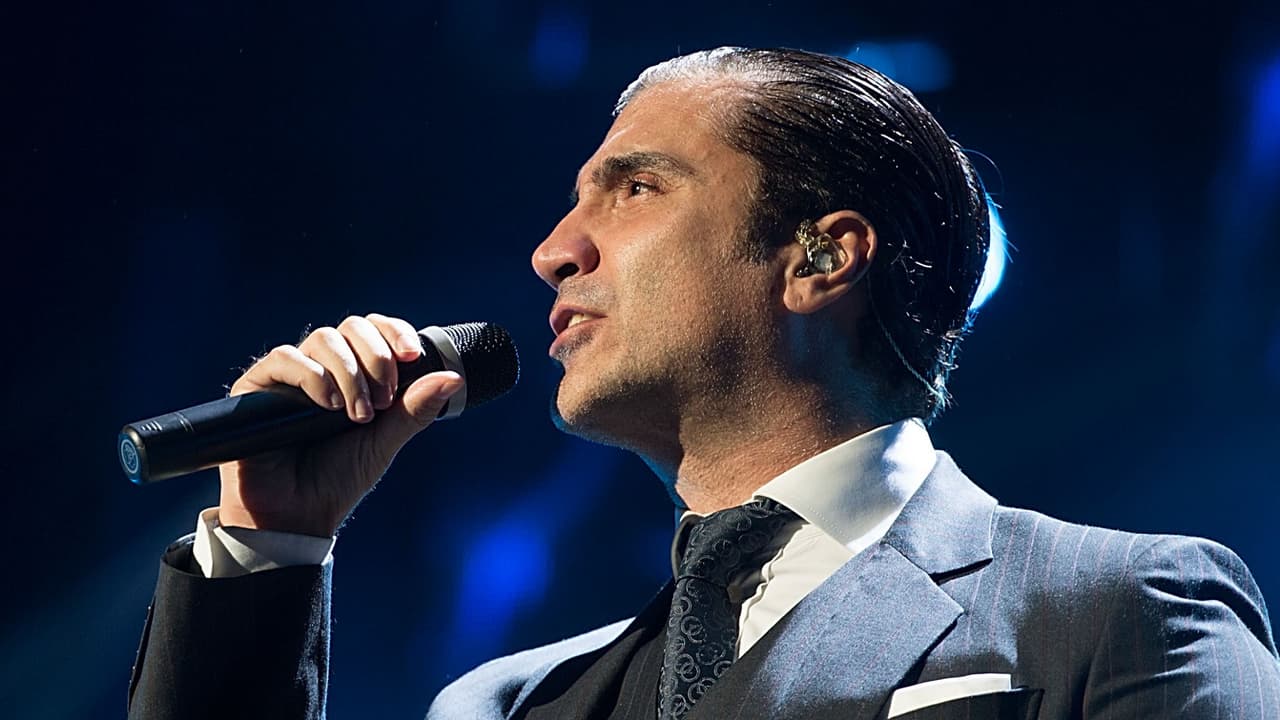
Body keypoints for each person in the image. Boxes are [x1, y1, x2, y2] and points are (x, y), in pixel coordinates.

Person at [128, 47, 1280, 719]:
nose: (553, 251)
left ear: (819, 256)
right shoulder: (512, 703)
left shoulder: (1115, 608)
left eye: (633, 189)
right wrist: (270, 546)